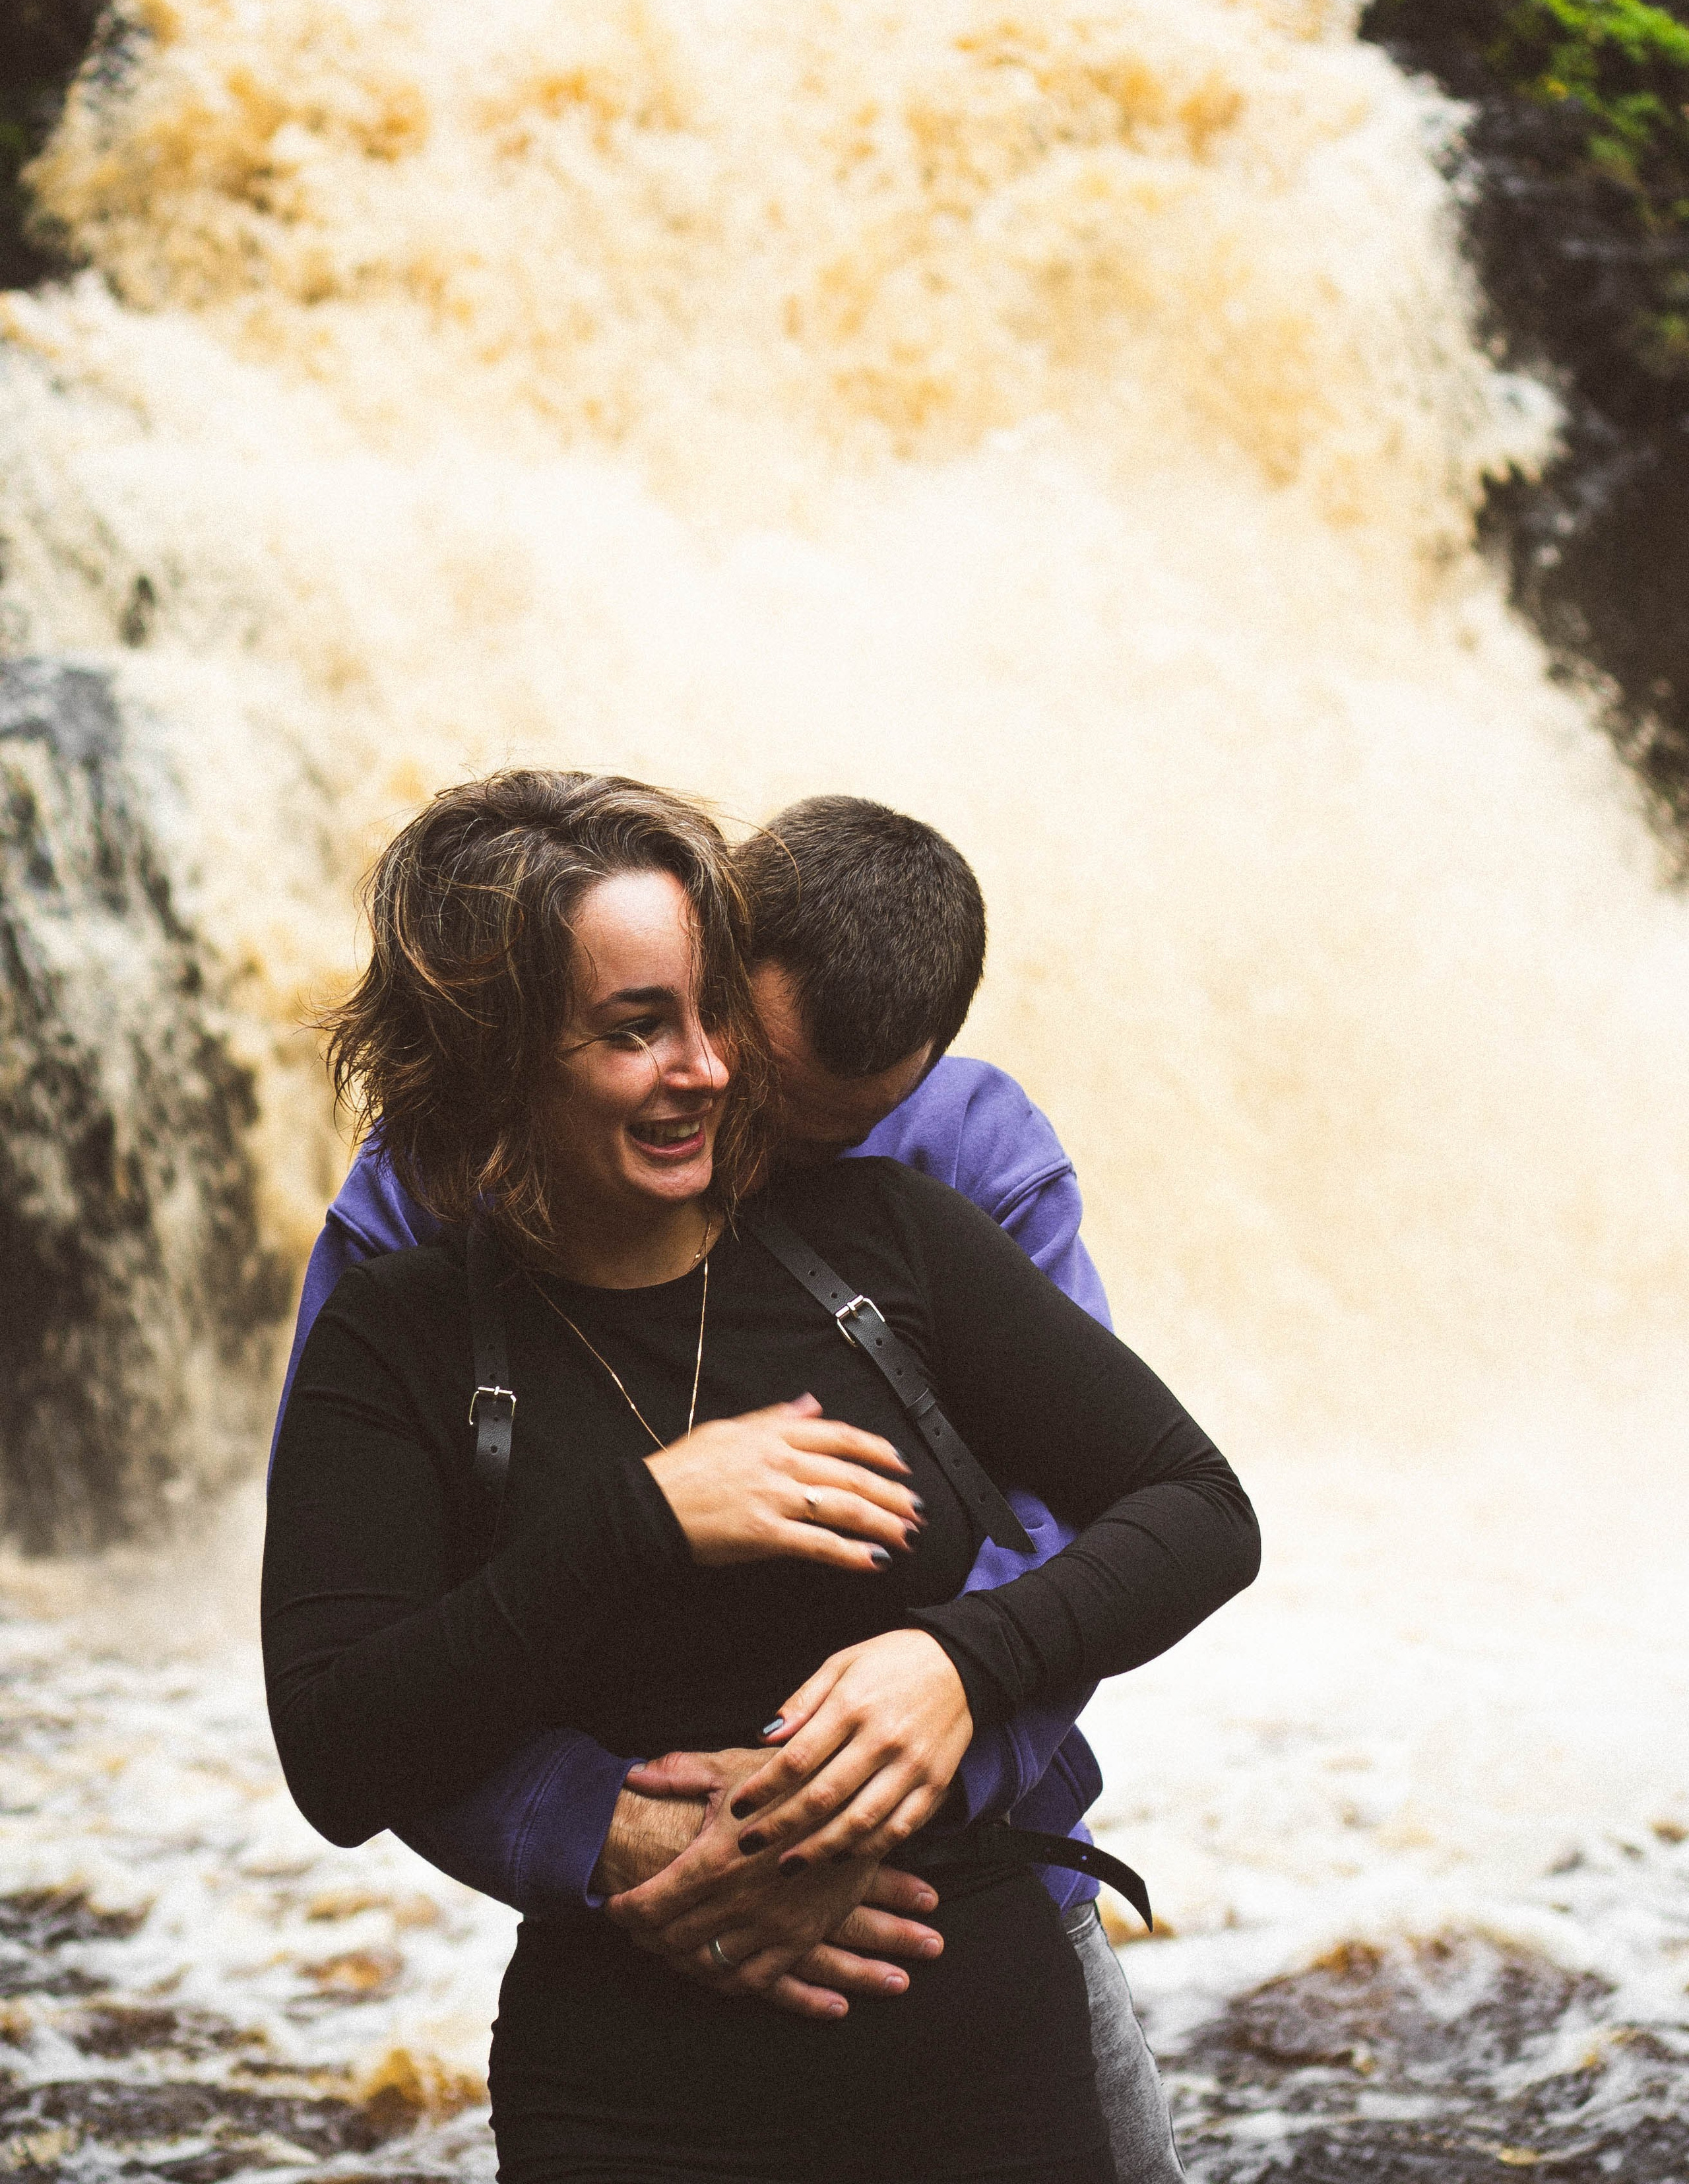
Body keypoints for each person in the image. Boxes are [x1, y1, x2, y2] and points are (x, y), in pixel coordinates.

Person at [264, 773, 1259, 2181]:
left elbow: (1139, 1511)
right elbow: (355, 1688)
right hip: (636, 2055)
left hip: (975, 1930)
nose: (722, 1096)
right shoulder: (409, 1269)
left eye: (798, 1115)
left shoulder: (923, 1199)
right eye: (643, 1029)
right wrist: (621, 1832)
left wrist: (931, 1713)